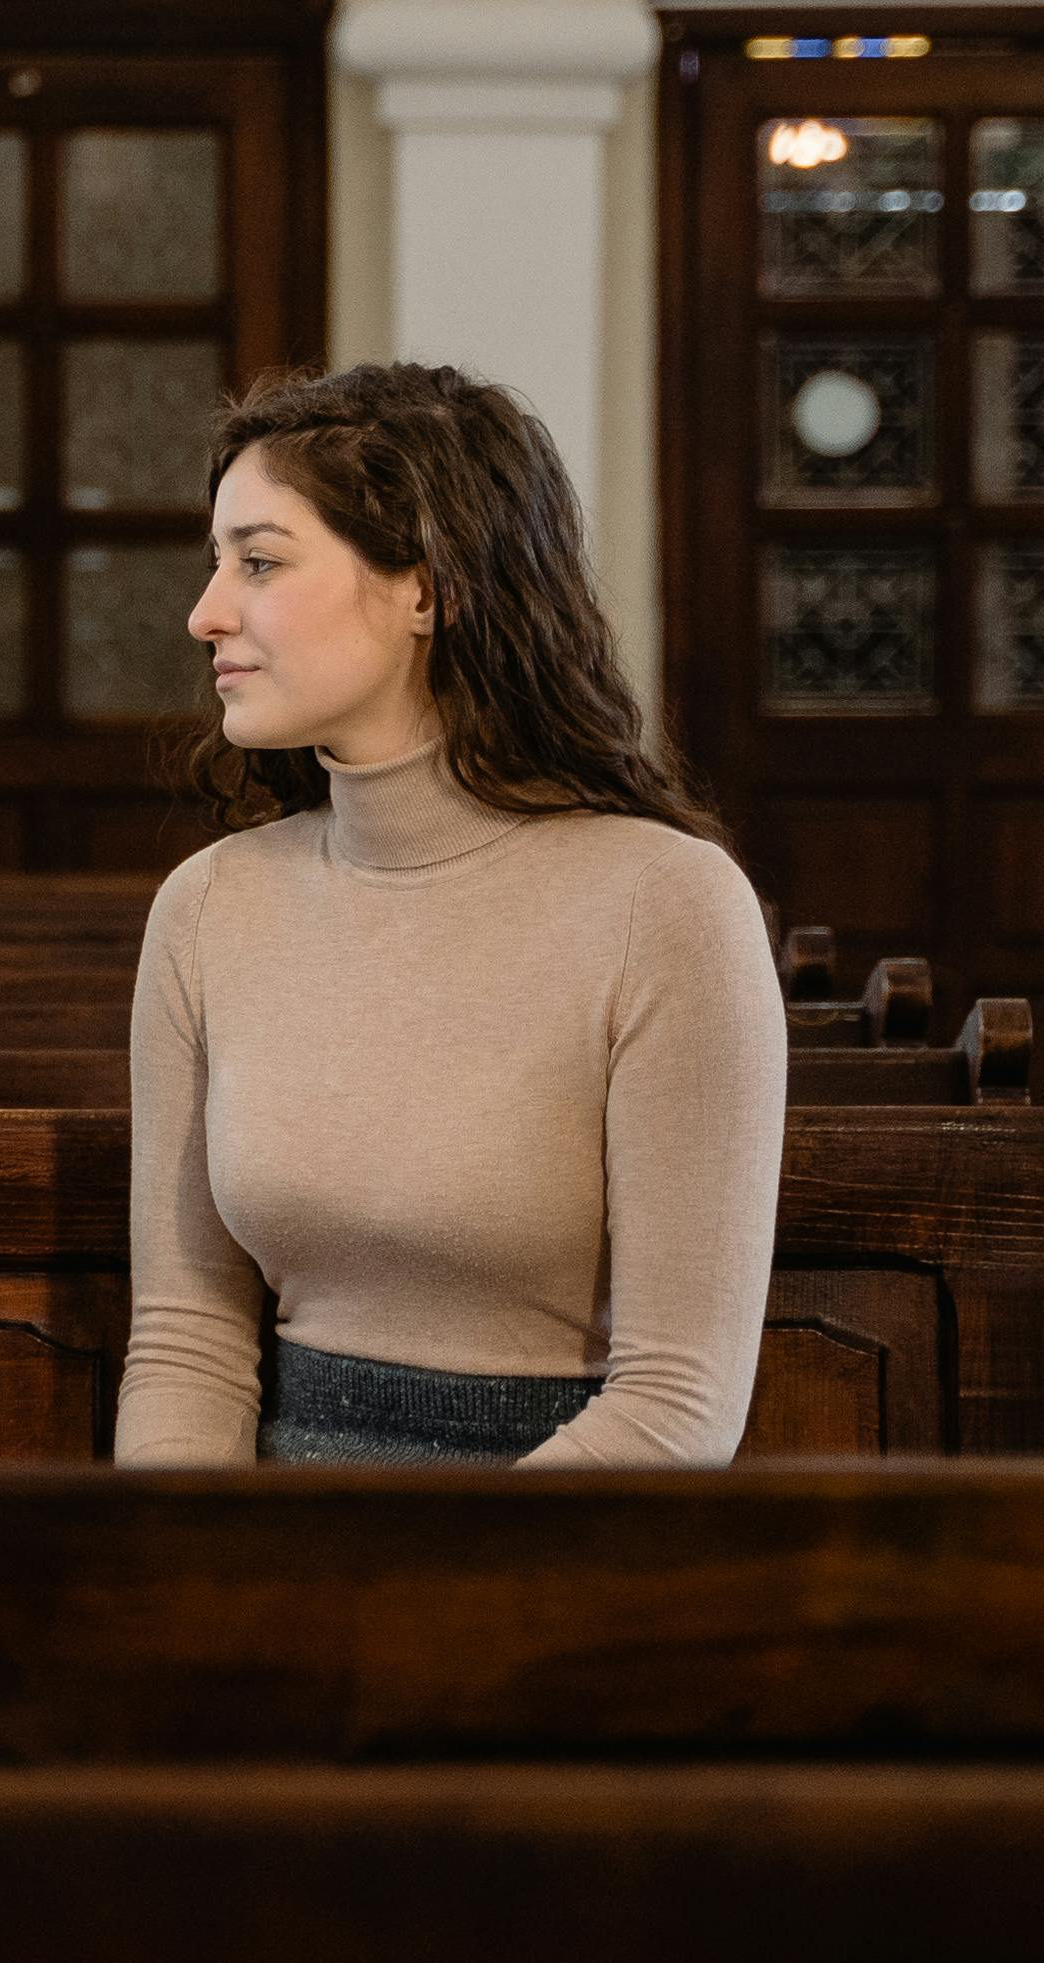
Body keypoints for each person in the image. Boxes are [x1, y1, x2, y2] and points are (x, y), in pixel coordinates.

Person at [114, 364, 782, 1470]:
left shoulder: (665, 905)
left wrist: (402, 1606)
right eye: (214, 563)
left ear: (424, 587)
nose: (205, 612)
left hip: (554, 1556)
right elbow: (187, 1343)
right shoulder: (207, 907)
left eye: (260, 563)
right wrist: (197, 1579)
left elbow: (676, 1404)